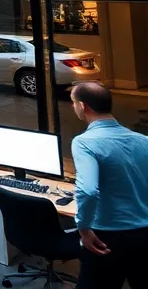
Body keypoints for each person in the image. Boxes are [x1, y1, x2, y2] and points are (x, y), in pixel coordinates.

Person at [68, 81, 148, 289]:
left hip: (106, 238)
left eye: (73, 103)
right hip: (143, 234)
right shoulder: (142, 140)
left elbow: (88, 190)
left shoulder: (85, 142)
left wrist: (83, 228)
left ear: (83, 107)